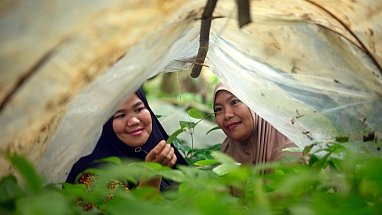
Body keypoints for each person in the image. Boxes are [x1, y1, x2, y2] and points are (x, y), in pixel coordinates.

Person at [66, 87, 188, 197]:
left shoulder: (158, 152)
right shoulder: (95, 176)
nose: (134, 121)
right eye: (120, 115)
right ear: (103, 124)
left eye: (139, 109)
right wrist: (152, 174)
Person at [213, 82, 301, 195]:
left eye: (235, 102)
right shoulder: (226, 151)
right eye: (218, 109)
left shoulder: (289, 147)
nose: (227, 115)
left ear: (254, 103)